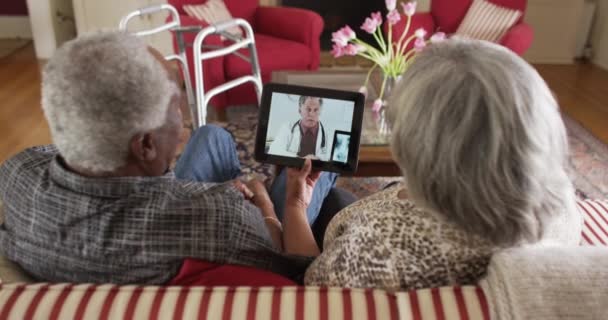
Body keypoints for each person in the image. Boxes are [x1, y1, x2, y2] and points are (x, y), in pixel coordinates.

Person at [0, 31, 343, 285]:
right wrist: (277, 207)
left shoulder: (16, 175)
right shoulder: (220, 219)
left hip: (145, 212)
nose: (183, 126)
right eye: (177, 108)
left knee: (211, 136)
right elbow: (302, 277)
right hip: (198, 232)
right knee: (321, 181)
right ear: (145, 145)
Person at [286, 39, 583, 290]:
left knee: (294, 188)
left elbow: (312, 282)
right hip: (369, 221)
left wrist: (294, 205)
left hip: (345, 244)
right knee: (336, 198)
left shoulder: (369, 256)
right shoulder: (562, 211)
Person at [268, 96, 332, 161]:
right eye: (308, 109)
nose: (312, 114)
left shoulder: (329, 133)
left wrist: (318, 159)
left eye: (316, 110)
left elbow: (333, 157)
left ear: (320, 111)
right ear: (299, 110)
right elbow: (273, 150)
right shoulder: (287, 128)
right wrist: (300, 160)